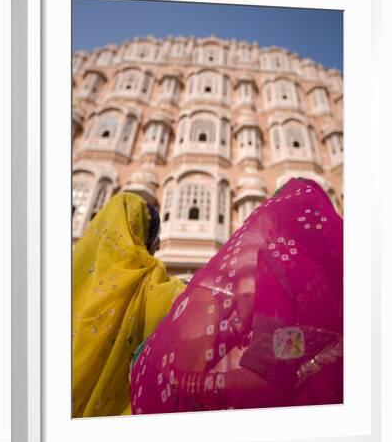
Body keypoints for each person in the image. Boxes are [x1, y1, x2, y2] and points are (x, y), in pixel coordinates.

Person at [130, 178, 343, 414]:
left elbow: (267, 378)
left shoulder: (283, 270)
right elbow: (294, 347)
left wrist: (184, 382)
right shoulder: (338, 269)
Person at [72, 192, 185, 417]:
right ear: (138, 234)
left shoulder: (66, 275)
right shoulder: (150, 284)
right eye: (154, 235)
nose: (159, 244)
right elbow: (192, 307)